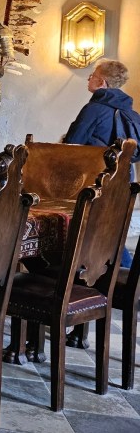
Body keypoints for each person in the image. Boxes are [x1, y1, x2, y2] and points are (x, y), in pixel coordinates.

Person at [65, 59, 138, 298]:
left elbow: (72, 146)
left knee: (88, 230)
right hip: (125, 179)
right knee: (114, 230)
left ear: (102, 81)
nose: (89, 79)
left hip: (98, 180)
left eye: (92, 75)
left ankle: (82, 285)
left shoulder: (94, 109)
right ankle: (127, 284)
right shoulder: (131, 111)